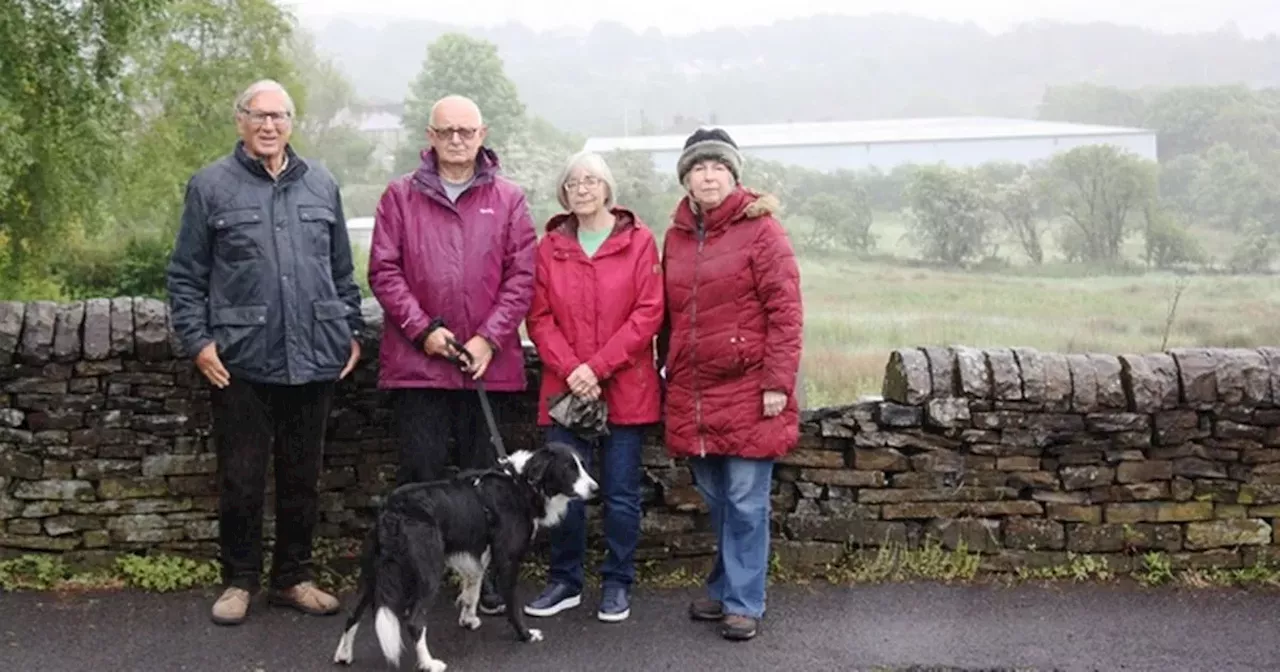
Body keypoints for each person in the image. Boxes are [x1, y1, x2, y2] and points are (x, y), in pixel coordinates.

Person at [166, 79, 364, 626]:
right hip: (240, 360)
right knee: (241, 477)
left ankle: (294, 578)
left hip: (314, 357)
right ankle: (239, 581)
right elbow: (186, 276)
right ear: (240, 122)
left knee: (303, 476)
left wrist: (350, 329)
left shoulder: (321, 182)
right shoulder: (210, 186)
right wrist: (198, 342)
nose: (269, 125)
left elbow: (342, 271)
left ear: (292, 123)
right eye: (258, 116)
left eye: (278, 116)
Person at [367, 94, 536, 615]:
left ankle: (480, 581)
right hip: (420, 368)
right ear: (431, 136)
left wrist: (489, 337)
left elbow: (522, 276)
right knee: (421, 482)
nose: (457, 139)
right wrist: (423, 333)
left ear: (483, 134)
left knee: (488, 487)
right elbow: (384, 271)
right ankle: (413, 577)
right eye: (447, 131)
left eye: (466, 131)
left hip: (490, 367)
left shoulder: (509, 199)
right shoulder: (398, 197)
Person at [658, 128, 803, 641]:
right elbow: (668, 316)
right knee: (717, 496)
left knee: (745, 499)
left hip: (749, 387)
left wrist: (777, 382)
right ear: (686, 179)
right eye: (699, 168)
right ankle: (723, 589)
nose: (708, 175)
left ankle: (744, 602)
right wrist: (664, 369)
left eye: (718, 167)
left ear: (733, 174)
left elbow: (786, 311)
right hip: (694, 390)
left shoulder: (762, 230)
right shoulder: (675, 236)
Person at [523, 151, 664, 623]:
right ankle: (565, 580)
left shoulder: (640, 242)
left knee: (621, 492)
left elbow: (649, 313)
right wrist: (573, 369)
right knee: (562, 490)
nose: (582, 189)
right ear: (564, 193)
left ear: (607, 188)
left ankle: (617, 582)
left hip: (625, 388)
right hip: (565, 393)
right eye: (573, 183)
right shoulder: (548, 247)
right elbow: (538, 318)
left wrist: (597, 368)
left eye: (591, 181)